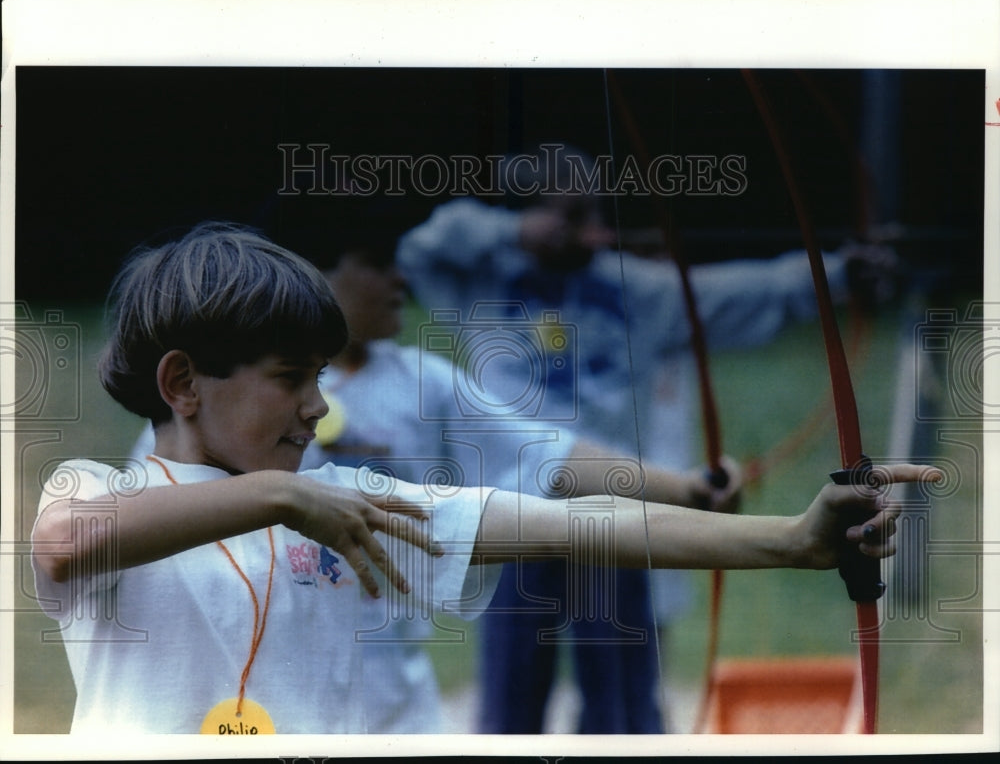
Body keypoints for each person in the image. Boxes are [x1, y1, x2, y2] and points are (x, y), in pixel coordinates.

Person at [30, 221, 933, 735]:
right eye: (289, 379)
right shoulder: (88, 488)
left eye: (320, 377)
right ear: (183, 383)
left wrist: (789, 539)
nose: (316, 407)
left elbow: (578, 522)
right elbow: (66, 543)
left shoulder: (348, 501)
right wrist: (285, 495)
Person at [395, 144, 895, 733]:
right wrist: (517, 232)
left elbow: (736, 293)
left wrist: (837, 275)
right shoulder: (476, 277)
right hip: (510, 508)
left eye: (593, 213)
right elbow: (418, 249)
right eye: (570, 215)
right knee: (510, 693)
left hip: (611, 506)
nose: (591, 231)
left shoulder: (636, 288)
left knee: (623, 701)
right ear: (527, 215)